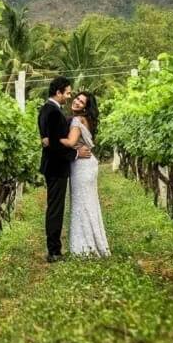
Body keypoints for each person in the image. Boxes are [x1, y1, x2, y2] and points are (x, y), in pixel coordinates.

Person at [38, 76, 89, 262]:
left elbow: (49, 140)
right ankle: (54, 251)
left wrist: (48, 141)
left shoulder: (46, 109)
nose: (69, 96)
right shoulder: (53, 112)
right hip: (56, 167)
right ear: (58, 92)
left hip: (51, 166)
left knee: (54, 207)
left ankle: (54, 248)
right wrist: (76, 154)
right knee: (55, 209)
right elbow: (54, 145)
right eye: (67, 93)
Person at [60, 91, 110, 257]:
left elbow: (71, 142)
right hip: (89, 164)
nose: (77, 102)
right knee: (89, 203)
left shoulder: (76, 120)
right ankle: (94, 243)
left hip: (81, 166)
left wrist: (50, 139)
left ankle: (83, 247)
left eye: (81, 102)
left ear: (85, 107)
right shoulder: (88, 120)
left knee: (81, 203)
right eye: (77, 99)